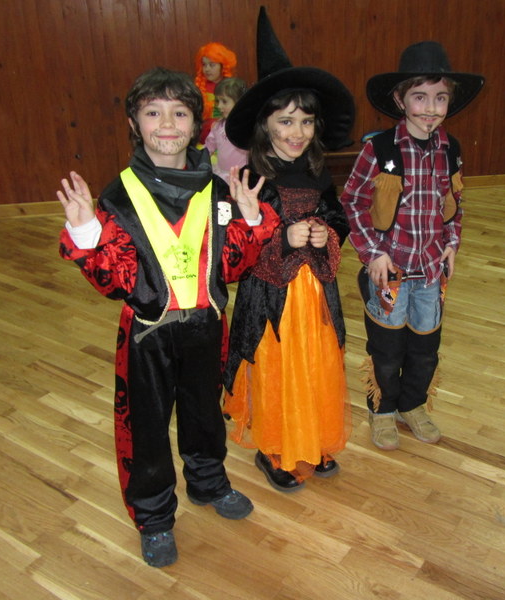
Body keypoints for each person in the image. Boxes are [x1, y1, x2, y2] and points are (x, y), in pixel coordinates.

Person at [56, 67, 280, 567]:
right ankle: (155, 516)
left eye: (179, 113)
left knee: (205, 415)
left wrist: (249, 221)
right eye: (153, 112)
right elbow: (114, 281)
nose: (166, 124)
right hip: (146, 335)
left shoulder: (218, 191)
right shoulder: (117, 198)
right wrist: (89, 234)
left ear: (197, 125)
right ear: (134, 124)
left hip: (206, 326)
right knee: (146, 429)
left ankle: (208, 482)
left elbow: (231, 265)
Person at [221, 7, 355, 492]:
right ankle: (275, 446)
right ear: (265, 125)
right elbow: (234, 241)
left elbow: (337, 218)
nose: (297, 133)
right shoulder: (250, 178)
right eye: (286, 121)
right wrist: (280, 237)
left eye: (306, 122)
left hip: (315, 299)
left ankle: (314, 439)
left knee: (317, 366)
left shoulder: (318, 172)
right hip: (270, 301)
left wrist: (323, 234)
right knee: (277, 370)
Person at [340, 41, 484, 451]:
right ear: (400, 99)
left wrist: (451, 244)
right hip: (392, 273)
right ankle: (383, 409)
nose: (430, 108)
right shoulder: (378, 150)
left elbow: (454, 204)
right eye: (420, 97)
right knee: (387, 348)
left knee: (425, 347)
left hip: (431, 273)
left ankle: (413, 404)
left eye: (440, 98)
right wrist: (373, 253)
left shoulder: (451, 151)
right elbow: (352, 201)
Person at [204, 77, 249, 182]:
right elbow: (209, 147)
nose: (219, 106)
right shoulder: (218, 126)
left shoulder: (247, 126)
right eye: (217, 101)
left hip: (243, 177)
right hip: (222, 175)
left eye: (224, 102)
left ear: (239, 102)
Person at [194, 42, 238, 143]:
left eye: (212, 65)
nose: (207, 69)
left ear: (223, 66)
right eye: (204, 65)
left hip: (226, 136)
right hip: (204, 138)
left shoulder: (231, 87)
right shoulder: (199, 87)